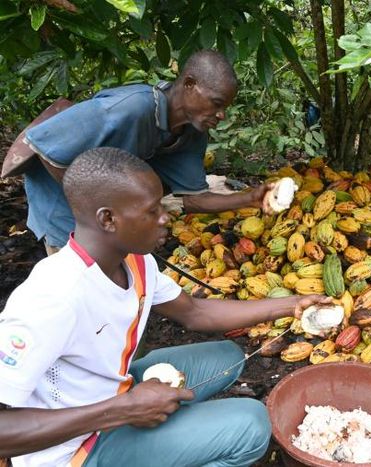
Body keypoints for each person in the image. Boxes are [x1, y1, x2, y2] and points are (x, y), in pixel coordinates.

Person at [0, 148, 332, 466]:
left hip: (114, 393)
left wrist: (291, 305)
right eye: (151, 210)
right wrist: (124, 410)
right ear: (108, 219)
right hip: (76, 450)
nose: (165, 218)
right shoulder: (53, 296)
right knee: (251, 423)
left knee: (228, 357)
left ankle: (163, 439)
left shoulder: (135, 260)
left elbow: (195, 313)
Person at [21, 49, 275, 254]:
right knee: (83, 295)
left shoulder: (191, 131)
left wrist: (251, 198)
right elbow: (45, 147)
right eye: (217, 103)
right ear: (189, 84)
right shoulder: (130, 109)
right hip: (65, 210)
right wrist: (103, 213)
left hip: (112, 218)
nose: (222, 115)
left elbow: (194, 198)